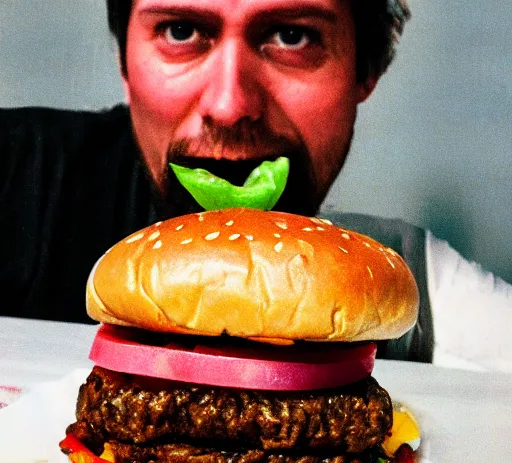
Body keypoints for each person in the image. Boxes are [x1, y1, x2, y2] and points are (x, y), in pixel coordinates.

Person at [1, 0, 510, 370]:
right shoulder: (15, 172)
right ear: (124, 64)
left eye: (293, 36)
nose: (230, 104)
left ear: (365, 71)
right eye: (180, 31)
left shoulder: (414, 280)